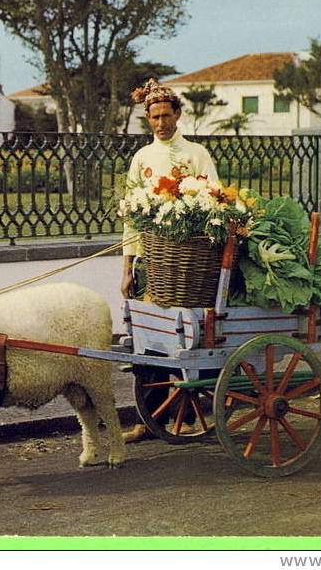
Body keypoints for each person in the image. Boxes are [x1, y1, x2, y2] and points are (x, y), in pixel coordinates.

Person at [120, 78, 220, 443]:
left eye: (166, 115)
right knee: (148, 339)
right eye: (154, 117)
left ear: (178, 114)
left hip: (189, 265)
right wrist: (127, 267)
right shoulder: (141, 159)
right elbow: (131, 217)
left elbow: (214, 201)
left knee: (189, 339)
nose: (161, 123)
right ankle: (149, 420)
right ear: (147, 119)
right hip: (151, 264)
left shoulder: (196, 154)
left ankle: (189, 415)